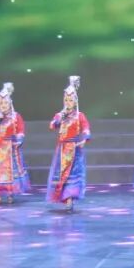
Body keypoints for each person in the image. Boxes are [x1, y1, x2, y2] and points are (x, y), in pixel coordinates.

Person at [46, 76, 90, 212]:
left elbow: (86, 129)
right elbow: (52, 126)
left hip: (74, 150)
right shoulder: (60, 115)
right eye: (66, 100)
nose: (68, 102)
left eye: (70, 100)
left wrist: (84, 140)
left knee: (71, 175)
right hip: (62, 150)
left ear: (75, 101)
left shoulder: (79, 116)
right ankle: (64, 198)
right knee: (62, 175)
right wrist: (60, 118)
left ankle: (69, 199)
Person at [0, 82, 30, 205]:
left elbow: (21, 130)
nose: (3, 105)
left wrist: (19, 140)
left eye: (6, 103)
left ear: (10, 103)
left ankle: (10, 193)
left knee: (11, 171)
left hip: (11, 148)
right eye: (1, 103)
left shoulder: (16, 116)